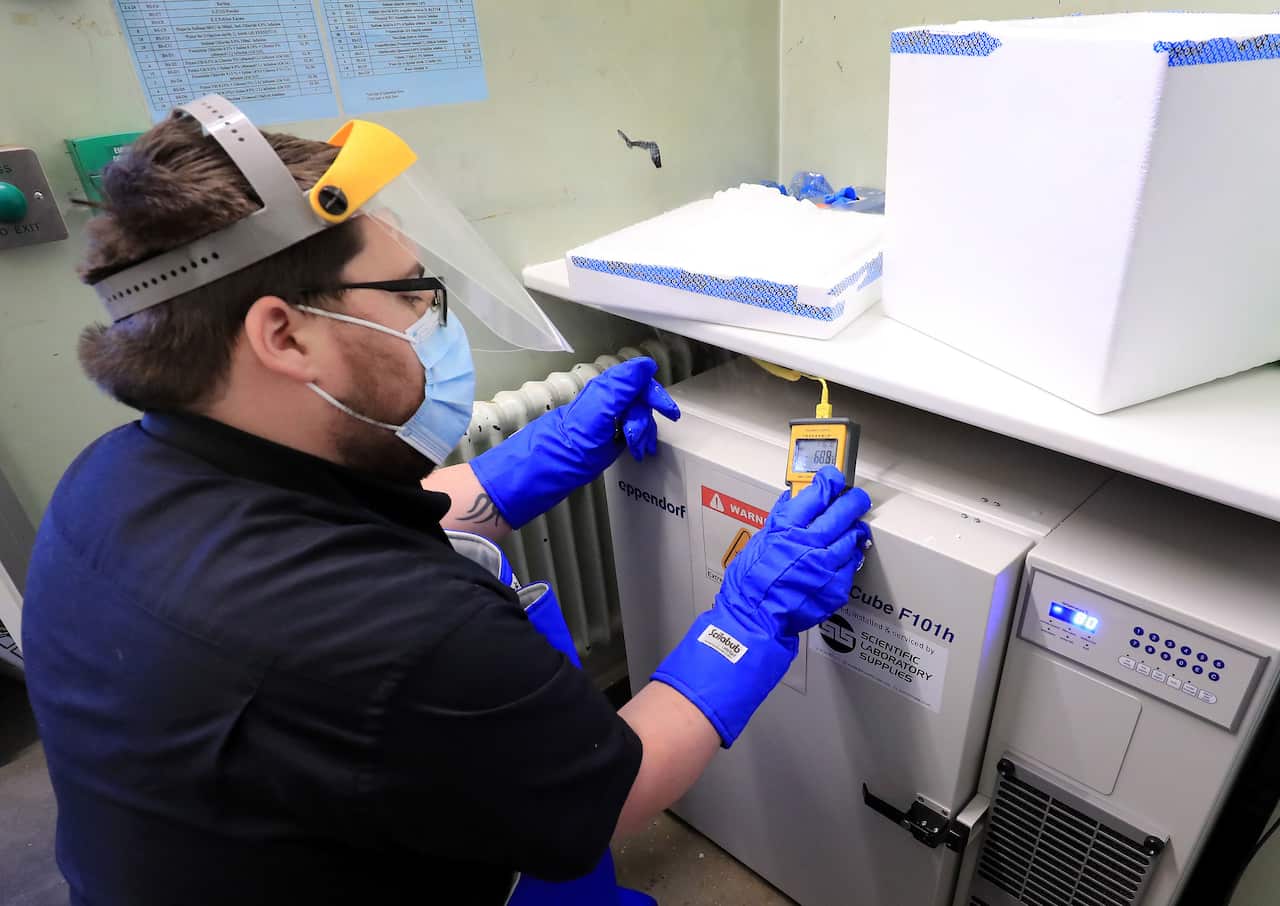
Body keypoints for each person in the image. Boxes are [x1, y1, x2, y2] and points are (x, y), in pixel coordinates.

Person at [21, 95, 872, 906]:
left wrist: (554, 449)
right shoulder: (402, 637)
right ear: (284, 335)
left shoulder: (111, 478)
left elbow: (349, 528)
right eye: (407, 293)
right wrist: (752, 621)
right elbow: (612, 792)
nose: (434, 313)